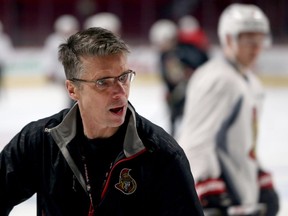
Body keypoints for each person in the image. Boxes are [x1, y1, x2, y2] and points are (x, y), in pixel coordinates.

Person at [0, 27, 204, 216]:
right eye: (103, 82)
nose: (120, 92)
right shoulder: (38, 142)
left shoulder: (161, 154)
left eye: (123, 77)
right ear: (72, 89)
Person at [177, 3, 279, 216]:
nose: (255, 47)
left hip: (241, 197)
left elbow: (242, 140)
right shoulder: (218, 79)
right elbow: (195, 141)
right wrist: (206, 185)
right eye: (247, 39)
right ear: (228, 38)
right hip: (224, 199)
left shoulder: (249, 80)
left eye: (259, 39)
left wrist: (258, 174)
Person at [149, 19, 209, 136]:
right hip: (176, 96)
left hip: (190, 96)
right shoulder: (164, 55)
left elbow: (201, 66)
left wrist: (191, 75)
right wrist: (169, 90)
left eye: (160, 42)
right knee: (174, 120)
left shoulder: (186, 51)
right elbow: (168, 77)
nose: (159, 46)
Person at [42, 14, 79, 107]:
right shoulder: (53, 41)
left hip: (78, 73)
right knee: (71, 94)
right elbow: (48, 57)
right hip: (62, 74)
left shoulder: (79, 39)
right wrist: (49, 71)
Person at [0, 20, 13, 97]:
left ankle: (3, 94)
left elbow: (8, 52)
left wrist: (6, 61)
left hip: (2, 64)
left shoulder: (4, 40)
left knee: (2, 80)